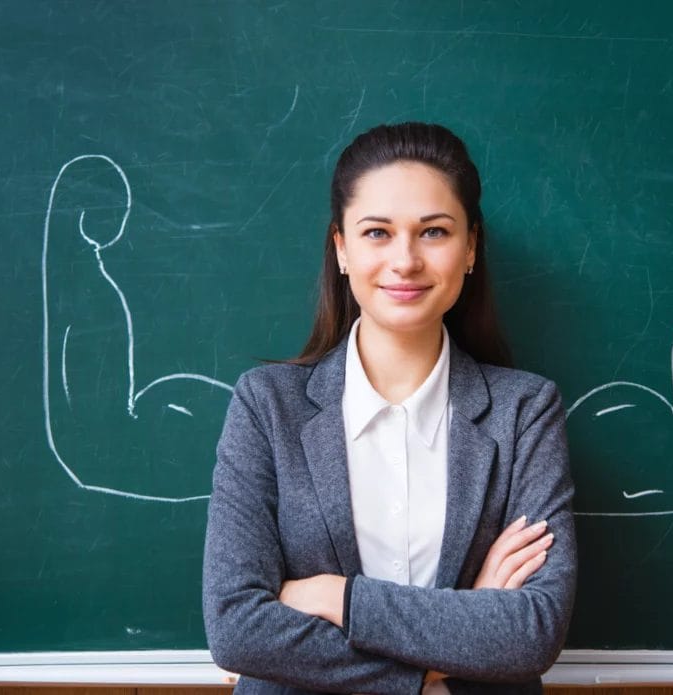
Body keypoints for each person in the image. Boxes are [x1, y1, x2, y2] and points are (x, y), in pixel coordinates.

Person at [203, 122, 577, 694]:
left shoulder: (525, 410)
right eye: (377, 232)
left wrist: (336, 597)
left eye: (434, 232)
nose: (405, 260)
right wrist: (441, 651)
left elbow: (533, 632)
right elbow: (236, 630)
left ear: (471, 247)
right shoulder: (266, 406)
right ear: (342, 250)